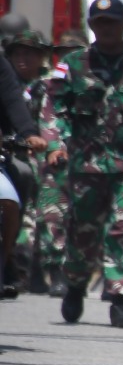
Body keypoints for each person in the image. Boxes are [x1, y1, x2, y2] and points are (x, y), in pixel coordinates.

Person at [39, 0, 123, 327]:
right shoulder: (73, 64)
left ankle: (120, 297)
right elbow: (53, 109)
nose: (107, 29)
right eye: (100, 23)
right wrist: (54, 144)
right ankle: (75, 282)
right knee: (83, 232)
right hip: (86, 162)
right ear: (91, 26)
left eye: (113, 23)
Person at [6, 31, 58, 294]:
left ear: (42, 57)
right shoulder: (6, 82)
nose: (23, 58)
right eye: (18, 52)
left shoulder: (50, 86)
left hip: (43, 156)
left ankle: (44, 268)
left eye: (30, 52)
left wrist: (46, 144)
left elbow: (53, 123)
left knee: (47, 209)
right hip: (9, 153)